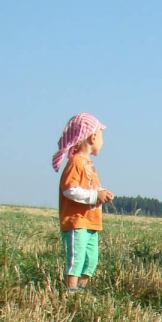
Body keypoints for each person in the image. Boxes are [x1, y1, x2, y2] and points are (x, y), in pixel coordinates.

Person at [52, 113, 113, 293]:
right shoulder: (75, 162)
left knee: (91, 260)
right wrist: (95, 196)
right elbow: (69, 190)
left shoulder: (88, 164)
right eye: (101, 136)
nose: (102, 141)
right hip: (77, 221)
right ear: (92, 137)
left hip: (91, 222)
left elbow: (90, 186)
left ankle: (81, 289)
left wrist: (102, 193)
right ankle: (71, 290)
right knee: (76, 258)